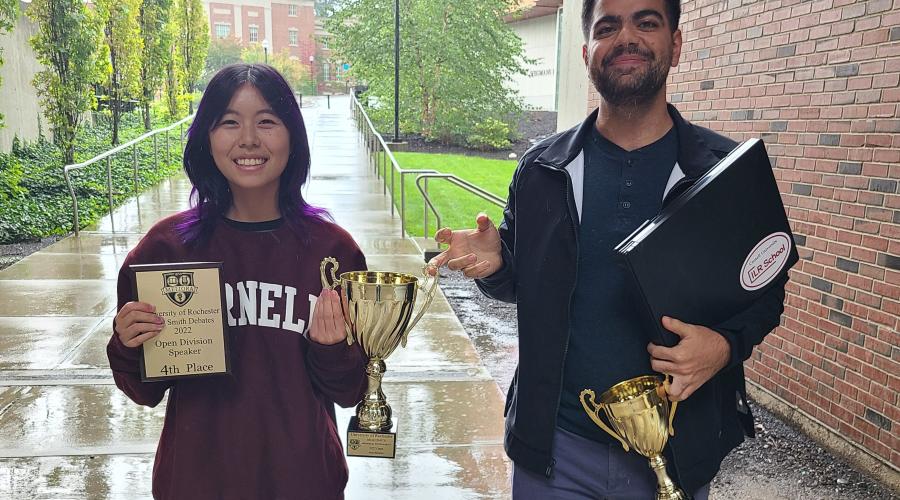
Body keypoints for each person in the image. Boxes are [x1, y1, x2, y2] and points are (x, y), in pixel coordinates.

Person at [429, 0, 789, 498]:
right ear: (587, 53)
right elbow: (522, 284)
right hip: (556, 452)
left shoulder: (723, 172)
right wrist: (497, 262)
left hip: (676, 453)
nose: (626, 37)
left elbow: (766, 290)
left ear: (676, 44)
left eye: (646, 22)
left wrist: (724, 347)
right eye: (608, 26)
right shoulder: (542, 170)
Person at [107, 63, 367, 500]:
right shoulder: (165, 250)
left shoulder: (333, 253)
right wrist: (128, 346)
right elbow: (142, 391)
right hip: (195, 481)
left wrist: (332, 349)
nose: (248, 139)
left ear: (293, 136)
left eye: (267, 121)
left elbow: (352, 390)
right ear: (206, 138)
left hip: (303, 482)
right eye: (229, 122)